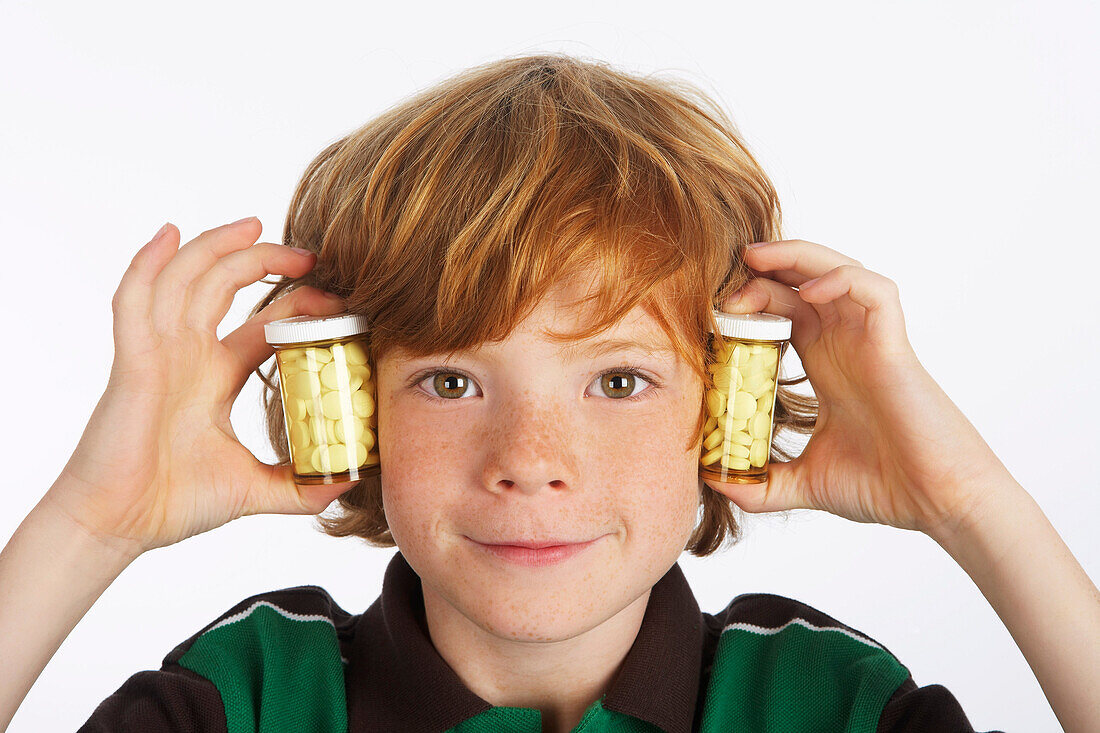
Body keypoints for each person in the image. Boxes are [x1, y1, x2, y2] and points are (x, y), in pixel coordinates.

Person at [0, 53, 1096, 733]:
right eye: (450, 378)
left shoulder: (821, 700)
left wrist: (969, 502)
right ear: (352, 402)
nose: (529, 454)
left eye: (618, 379)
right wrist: (88, 525)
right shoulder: (250, 694)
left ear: (731, 404)